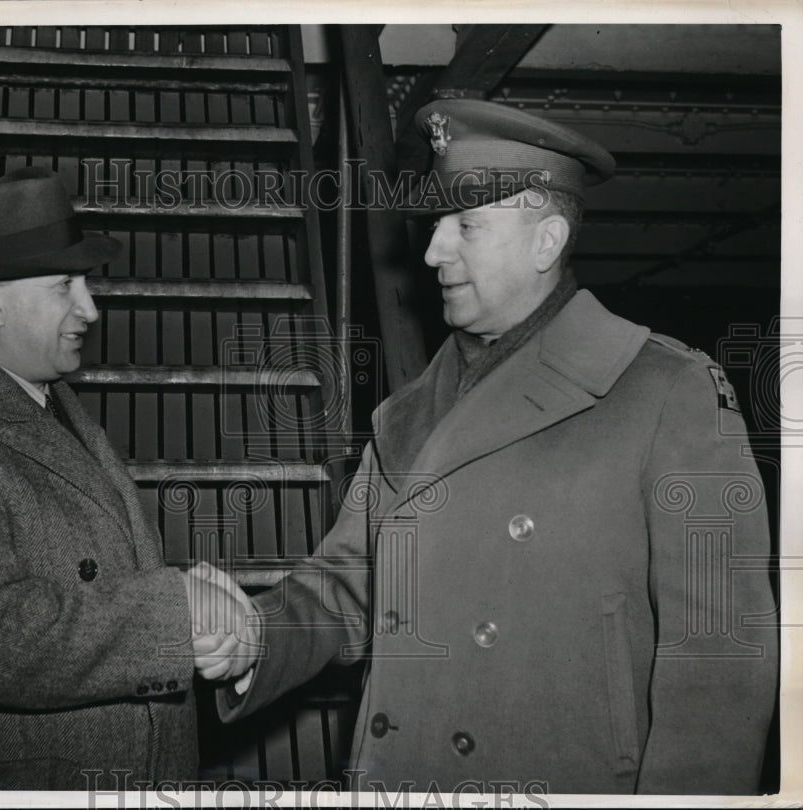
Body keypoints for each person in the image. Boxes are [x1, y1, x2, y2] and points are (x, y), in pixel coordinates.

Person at [201, 100, 779, 795]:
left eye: (466, 225)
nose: (433, 252)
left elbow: (719, 661)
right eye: (437, 224)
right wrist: (257, 635)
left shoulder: (664, 391)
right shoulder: (406, 415)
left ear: (546, 242)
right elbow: (349, 583)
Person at [0, 168, 247, 790]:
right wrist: (178, 610)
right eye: (64, 286)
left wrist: (194, 612)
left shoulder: (52, 402)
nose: (90, 308)